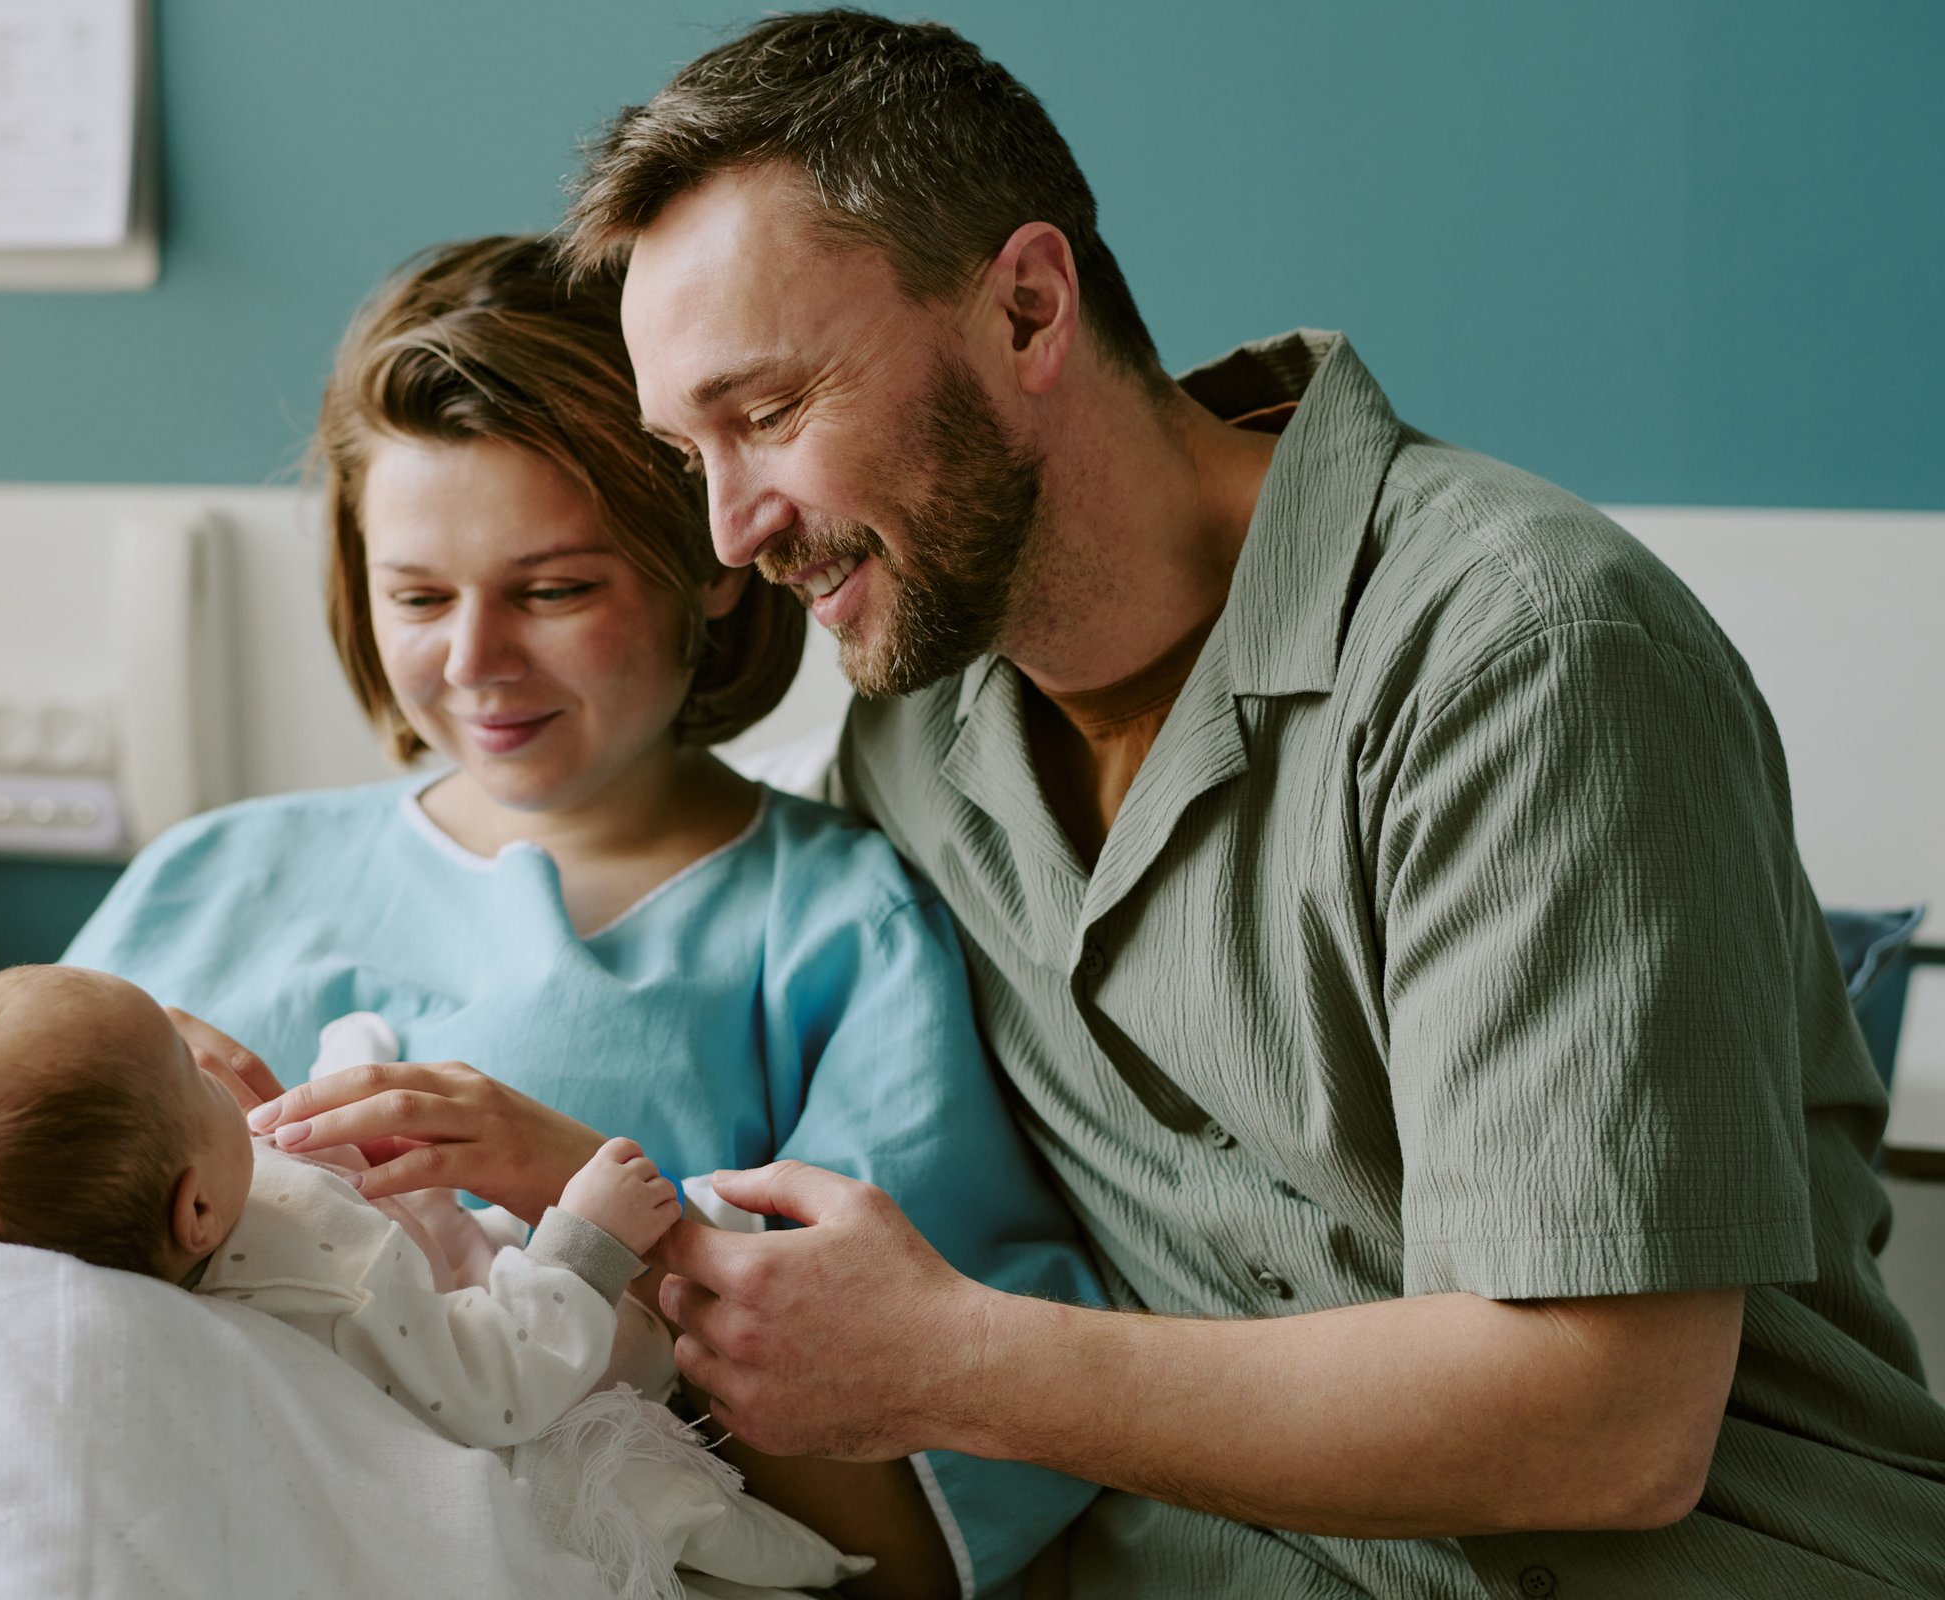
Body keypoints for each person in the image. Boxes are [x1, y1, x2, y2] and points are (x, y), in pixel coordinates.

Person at [540, 10, 1945, 1599]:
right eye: (690, 452)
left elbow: (1607, 1426)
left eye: (772, 412)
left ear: (1025, 307)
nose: (731, 533)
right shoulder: (914, 740)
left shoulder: (1524, 655)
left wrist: (954, 1364)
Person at [58, 234, 1103, 1599]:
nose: (476, 664)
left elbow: (912, 1541)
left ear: (712, 561)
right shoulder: (207, 882)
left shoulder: (832, 930)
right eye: (419, 596)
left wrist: (595, 1215)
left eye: (555, 590)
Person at [0, 919, 874, 1600]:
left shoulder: (39, 1235)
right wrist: (586, 1235)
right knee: (662, 1459)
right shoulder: (330, 1283)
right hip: (515, 1358)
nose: (209, 1054)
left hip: (349, 1226)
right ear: (196, 1207)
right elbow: (496, 1382)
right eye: (189, 1073)